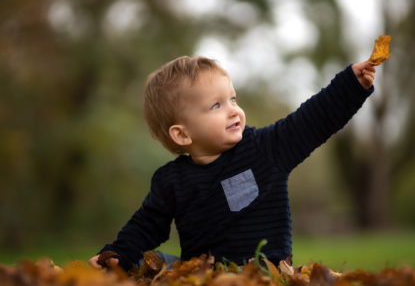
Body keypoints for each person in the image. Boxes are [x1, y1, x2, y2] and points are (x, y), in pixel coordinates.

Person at [89, 56, 376, 270]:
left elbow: (311, 122)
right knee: (147, 264)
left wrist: (350, 86)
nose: (234, 111)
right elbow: (145, 225)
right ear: (182, 134)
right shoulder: (171, 181)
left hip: (265, 274)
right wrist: (117, 255)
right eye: (216, 105)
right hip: (205, 277)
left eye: (233, 99)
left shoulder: (264, 149)